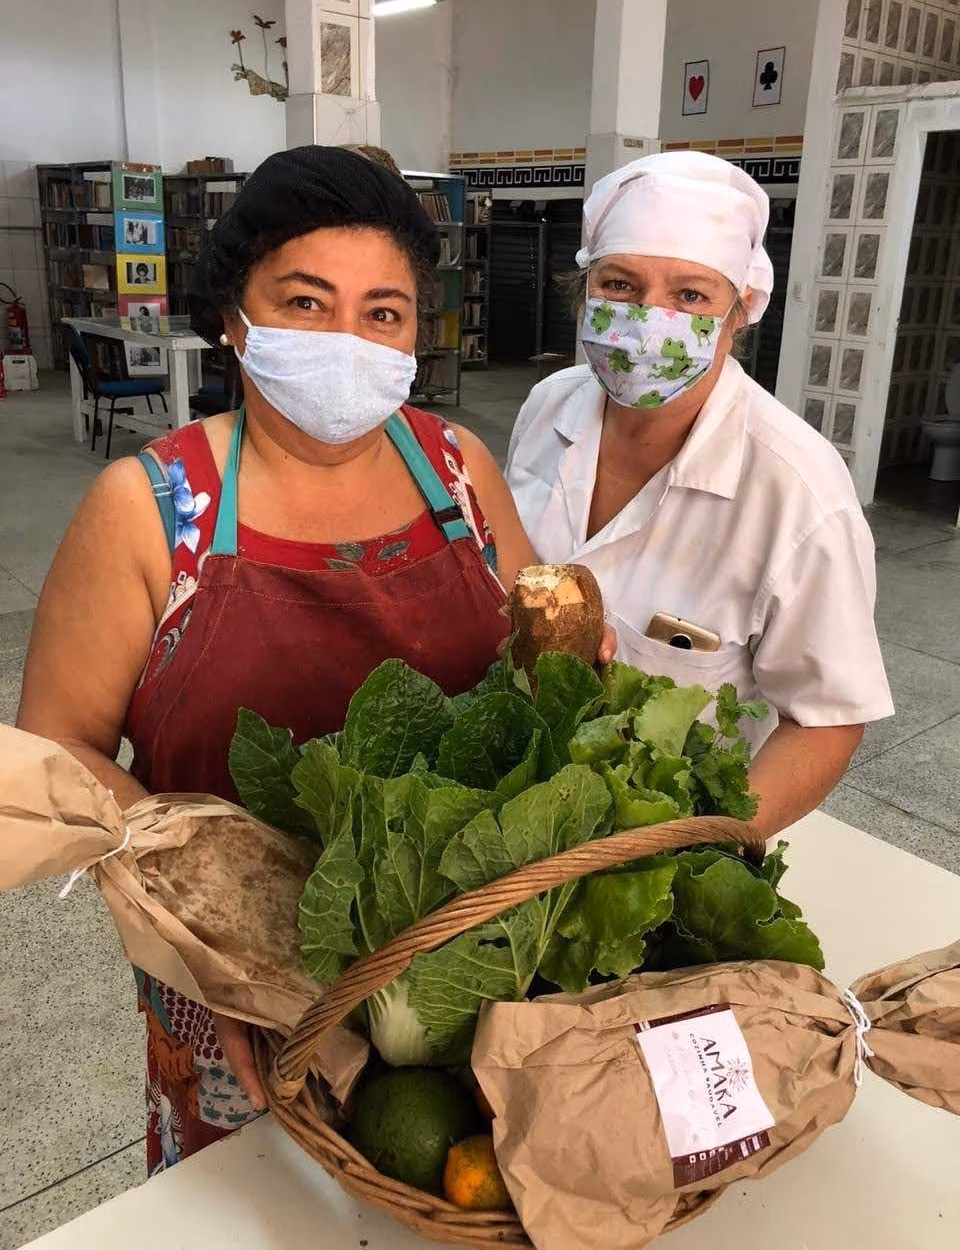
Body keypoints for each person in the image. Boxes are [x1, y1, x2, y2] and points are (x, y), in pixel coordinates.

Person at [16, 145, 548, 1172]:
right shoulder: (153, 509)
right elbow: (56, 749)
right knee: (255, 1209)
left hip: (464, 964)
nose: (348, 341)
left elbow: (530, 668)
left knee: (458, 1191)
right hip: (229, 992)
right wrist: (225, 946)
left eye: (383, 313)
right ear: (233, 315)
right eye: (306, 302)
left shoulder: (460, 473)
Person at [507, 151, 893, 839]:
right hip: (524, 792)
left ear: (739, 314)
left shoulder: (799, 492)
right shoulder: (548, 406)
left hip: (676, 825)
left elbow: (825, 721)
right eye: (619, 284)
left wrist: (685, 849)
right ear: (584, 291)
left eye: (690, 296)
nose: (647, 319)